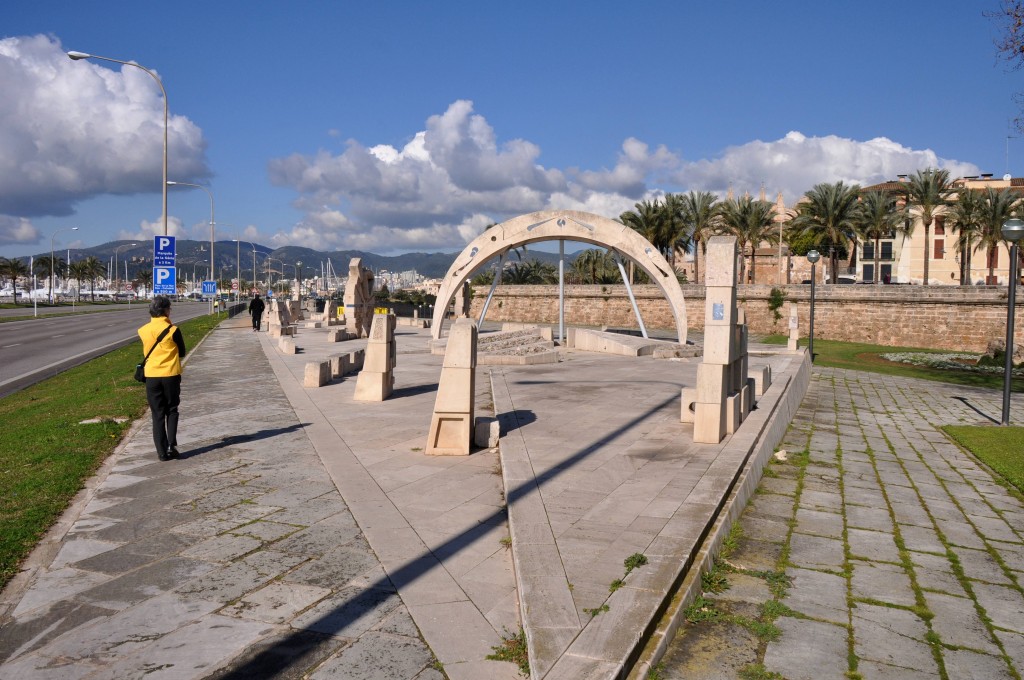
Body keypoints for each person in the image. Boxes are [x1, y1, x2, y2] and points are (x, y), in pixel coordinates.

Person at [138, 296, 187, 462]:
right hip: (170, 375)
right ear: (165, 310)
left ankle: (160, 451)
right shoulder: (173, 330)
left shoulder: (143, 330)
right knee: (172, 410)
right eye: (169, 309)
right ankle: (171, 445)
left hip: (151, 376)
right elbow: (182, 352)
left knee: (157, 414)